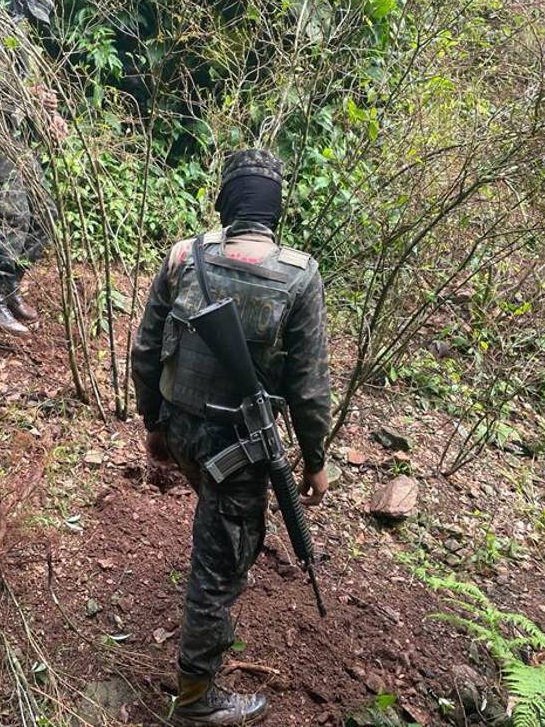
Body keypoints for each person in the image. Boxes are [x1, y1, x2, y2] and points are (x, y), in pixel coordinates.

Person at [131, 149, 332, 725]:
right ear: (276, 210)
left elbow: (146, 350)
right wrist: (315, 459)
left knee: (217, 528)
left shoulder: (181, 256)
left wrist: (153, 424)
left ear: (225, 201)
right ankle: (195, 698)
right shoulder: (300, 276)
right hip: (235, 448)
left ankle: (211, 584)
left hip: (181, 428)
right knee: (219, 568)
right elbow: (309, 385)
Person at [0, 0, 67, 337]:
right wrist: (28, 94)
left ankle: (9, 289)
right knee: (13, 215)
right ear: (18, 7)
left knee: (45, 213)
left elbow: (33, 95)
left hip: (15, 137)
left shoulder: (22, 44)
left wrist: (50, 114)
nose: (31, 25)